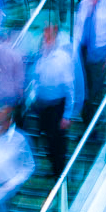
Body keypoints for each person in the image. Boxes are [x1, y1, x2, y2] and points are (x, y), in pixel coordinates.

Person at [32, 23, 76, 177]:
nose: (45, 40)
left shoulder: (62, 58)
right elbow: (37, 77)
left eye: (47, 37)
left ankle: (60, 172)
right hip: (43, 104)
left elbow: (70, 88)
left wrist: (67, 115)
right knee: (46, 137)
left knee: (57, 140)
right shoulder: (42, 56)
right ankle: (54, 168)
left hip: (57, 105)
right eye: (44, 37)